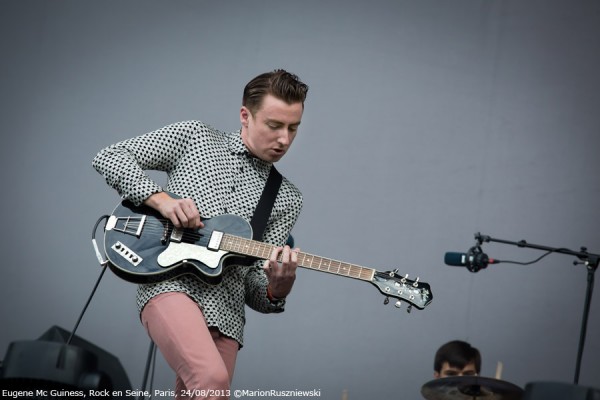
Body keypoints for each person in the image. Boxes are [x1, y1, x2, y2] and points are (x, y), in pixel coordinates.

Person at [92, 69, 309, 399]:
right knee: (210, 379)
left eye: (293, 128)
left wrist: (278, 288)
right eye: (274, 125)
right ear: (245, 116)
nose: (284, 139)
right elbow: (110, 157)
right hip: (167, 284)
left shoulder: (286, 198)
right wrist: (162, 201)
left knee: (206, 391)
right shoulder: (195, 137)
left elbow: (255, 286)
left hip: (227, 316)